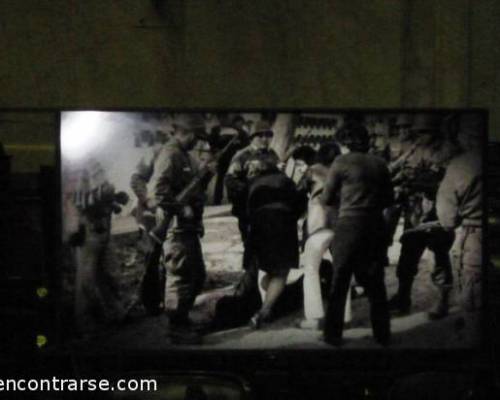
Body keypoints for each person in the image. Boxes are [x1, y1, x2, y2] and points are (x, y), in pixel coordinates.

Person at [321, 122, 393, 346]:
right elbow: (388, 199)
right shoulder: (380, 163)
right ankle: (382, 335)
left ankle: (333, 336)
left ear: (344, 143)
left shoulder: (341, 162)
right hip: (374, 225)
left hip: (349, 226)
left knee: (340, 280)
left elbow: (326, 198)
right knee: (376, 283)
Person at [389, 114, 460, 319]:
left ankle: (442, 301)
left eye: (425, 131)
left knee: (440, 257)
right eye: (418, 132)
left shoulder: (449, 151)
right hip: (416, 211)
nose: (420, 135)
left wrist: (420, 182)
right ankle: (403, 298)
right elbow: (404, 173)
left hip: (439, 212)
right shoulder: (415, 149)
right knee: (407, 257)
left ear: (436, 131)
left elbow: (450, 183)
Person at [147, 114, 210, 340]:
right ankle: (176, 326)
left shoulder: (183, 155)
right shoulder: (170, 153)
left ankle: (182, 318)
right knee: (180, 276)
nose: (198, 142)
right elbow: (158, 191)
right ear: (188, 133)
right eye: (197, 137)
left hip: (188, 227)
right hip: (175, 227)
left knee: (197, 275)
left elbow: (192, 191)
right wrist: (180, 208)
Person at [68, 159, 130, 333]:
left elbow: (99, 195)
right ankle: (87, 325)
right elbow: (80, 201)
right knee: (86, 280)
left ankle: (115, 314)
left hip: (102, 228)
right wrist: (105, 195)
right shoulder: (78, 165)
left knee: (110, 274)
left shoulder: (95, 164)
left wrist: (113, 201)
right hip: (89, 231)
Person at [436, 113, 483, 342]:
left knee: (474, 296)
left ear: (464, 136)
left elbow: (447, 219)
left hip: (475, 236)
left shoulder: (461, 164)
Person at [224, 120, 280, 297]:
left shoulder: (272, 155)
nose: (265, 139)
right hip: (249, 212)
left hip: (269, 212)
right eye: (261, 135)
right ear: (253, 137)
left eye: (268, 135)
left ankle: (264, 288)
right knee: (252, 250)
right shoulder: (242, 156)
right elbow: (230, 181)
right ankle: (248, 290)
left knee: (267, 250)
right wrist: (251, 191)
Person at [246, 163, 303, 328]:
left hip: (258, 226)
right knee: (281, 273)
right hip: (281, 225)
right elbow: (298, 206)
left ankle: (268, 305)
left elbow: (247, 210)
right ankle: (263, 312)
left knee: (267, 271)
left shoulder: (254, 183)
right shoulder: (286, 181)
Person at [297, 142, 343, 330]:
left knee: (311, 270)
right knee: (341, 271)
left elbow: (298, 194)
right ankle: (343, 316)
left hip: (318, 222)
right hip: (342, 222)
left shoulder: (313, 170)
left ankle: (315, 318)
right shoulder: (344, 171)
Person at [209, 115, 250, 205]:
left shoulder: (240, 132)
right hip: (223, 159)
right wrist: (215, 151)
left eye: (225, 117)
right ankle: (217, 200)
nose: (223, 120)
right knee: (220, 179)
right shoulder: (216, 130)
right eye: (221, 118)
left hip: (235, 159)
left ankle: (233, 199)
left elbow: (246, 144)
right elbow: (212, 144)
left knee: (232, 179)